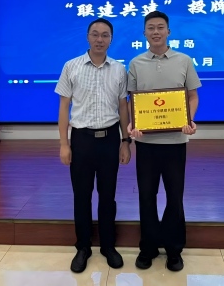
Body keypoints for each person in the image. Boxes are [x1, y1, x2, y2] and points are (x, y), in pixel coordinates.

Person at [55, 18, 132, 273]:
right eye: (95, 34)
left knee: (108, 196)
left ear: (111, 39)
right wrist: (64, 144)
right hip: (82, 140)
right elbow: (64, 107)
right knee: (82, 196)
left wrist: (125, 141)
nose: (100, 39)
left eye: (105, 35)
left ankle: (108, 246)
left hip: (110, 139)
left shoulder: (119, 69)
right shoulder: (71, 66)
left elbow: (123, 108)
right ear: (88, 37)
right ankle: (83, 247)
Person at [127, 11, 201, 272]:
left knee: (174, 197)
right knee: (146, 196)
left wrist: (189, 119)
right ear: (144, 33)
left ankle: (173, 249)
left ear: (169, 31)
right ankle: (147, 248)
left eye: (160, 27)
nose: (156, 32)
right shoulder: (136, 63)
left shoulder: (184, 60)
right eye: (151, 28)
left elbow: (192, 96)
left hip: (175, 141)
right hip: (146, 143)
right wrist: (133, 124)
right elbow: (132, 100)